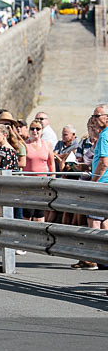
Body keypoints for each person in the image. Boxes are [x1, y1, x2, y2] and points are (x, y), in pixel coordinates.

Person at [72, 105, 108, 270]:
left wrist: (94, 181)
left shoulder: (104, 136)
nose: (93, 118)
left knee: (94, 221)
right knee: (105, 221)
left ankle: (94, 258)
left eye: (96, 115)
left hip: (102, 184)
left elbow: (103, 162)